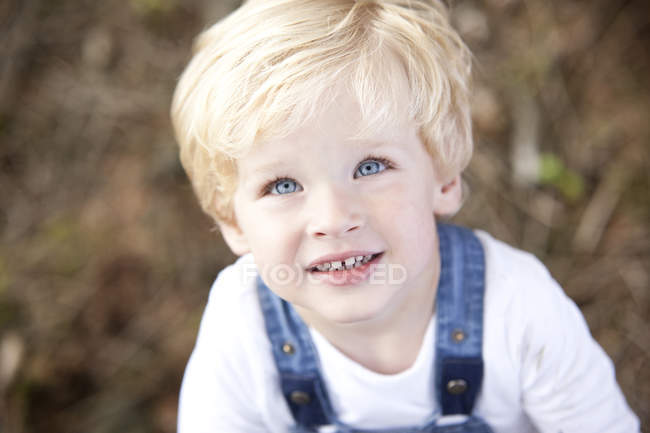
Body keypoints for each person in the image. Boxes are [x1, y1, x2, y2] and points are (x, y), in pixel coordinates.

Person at [170, 1, 640, 431]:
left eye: (370, 167)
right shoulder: (241, 326)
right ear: (231, 220)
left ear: (444, 177)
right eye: (283, 185)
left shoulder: (518, 305)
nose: (333, 219)